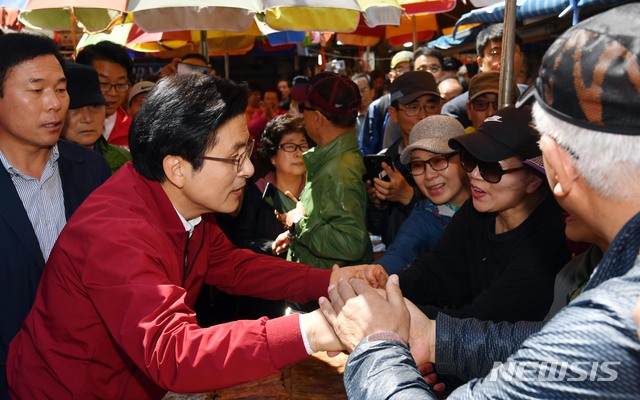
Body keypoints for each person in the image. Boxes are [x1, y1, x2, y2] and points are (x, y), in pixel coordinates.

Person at [322, 4, 640, 398]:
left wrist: (379, 343)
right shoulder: (481, 214)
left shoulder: (599, 298)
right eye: (471, 161)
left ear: (549, 167)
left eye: (490, 168)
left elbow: (546, 345)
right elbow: (440, 270)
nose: (473, 174)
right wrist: (393, 292)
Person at [6, 73, 386, 399]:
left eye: (247, 151)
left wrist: (333, 278)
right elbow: (174, 353)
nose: (249, 168)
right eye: (234, 157)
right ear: (177, 168)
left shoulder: (185, 206)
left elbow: (230, 265)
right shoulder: (115, 231)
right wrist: (316, 329)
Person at [0, 33, 111, 400]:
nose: (54, 104)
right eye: (36, 90)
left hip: (86, 377)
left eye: (61, 89)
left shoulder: (92, 170)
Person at [274, 72, 373, 271]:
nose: (302, 115)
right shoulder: (332, 160)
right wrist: (295, 233)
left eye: (304, 108)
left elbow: (350, 243)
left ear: (318, 118)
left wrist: (299, 224)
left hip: (330, 288)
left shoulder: (338, 170)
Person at [376, 115, 469, 274]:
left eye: (438, 160)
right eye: (418, 165)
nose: (428, 175)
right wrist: (375, 272)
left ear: (465, 158)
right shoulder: (425, 217)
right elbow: (398, 254)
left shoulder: (495, 202)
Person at [366, 71, 442, 247]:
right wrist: (378, 205)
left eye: (431, 106)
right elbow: (377, 228)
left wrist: (408, 196)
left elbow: (455, 222)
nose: (423, 115)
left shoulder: (457, 159)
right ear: (393, 113)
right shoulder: (387, 162)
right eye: (413, 107)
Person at [442, 23, 526, 128]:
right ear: (480, 62)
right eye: (495, 53)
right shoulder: (455, 110)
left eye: (511, 51)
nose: (504, 59)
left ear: (522, 58)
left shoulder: (531, 98)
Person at [61, 62, 132, 173]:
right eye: (75, 108)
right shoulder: (44, 166)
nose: (87, 119)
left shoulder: (125, 162)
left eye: (95, 106)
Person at [76, 41, 134, 148]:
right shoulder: (64, 129)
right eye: (103, 84)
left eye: (120, 84)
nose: (113, 93)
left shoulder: (134, 132)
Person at [358, 50, 413, 155]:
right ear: (391, 76)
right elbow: (366, 149)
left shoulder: (426, 104)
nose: (406, 73)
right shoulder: (378, 106)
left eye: (410, 68)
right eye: (400, 69)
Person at [351, 72, 374, 137]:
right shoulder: (350, 119)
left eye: (364, 90)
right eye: (357, 92)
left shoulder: (380, 113)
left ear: (372, 92)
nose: (360, 95)